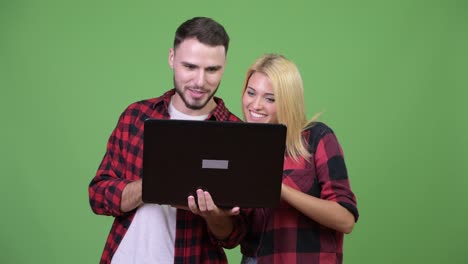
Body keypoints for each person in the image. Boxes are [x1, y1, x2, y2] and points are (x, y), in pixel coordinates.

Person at [88, 17, 248, 264]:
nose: (199, 81)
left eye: (212, 70)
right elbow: (98, 195)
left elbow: (234, 236)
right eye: (190, 67)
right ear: (172, 58)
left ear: (224, 66)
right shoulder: (136, 116)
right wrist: (152, 185)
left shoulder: (237, 134)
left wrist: (213, 214)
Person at [239, 54, 359, 264]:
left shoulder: (317, 138)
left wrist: (279, 188)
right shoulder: (241, 149)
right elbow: (234, 234)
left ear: (287, 101)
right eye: (251, 93)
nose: (256, 105)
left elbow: (345, 219)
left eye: (270, 98)